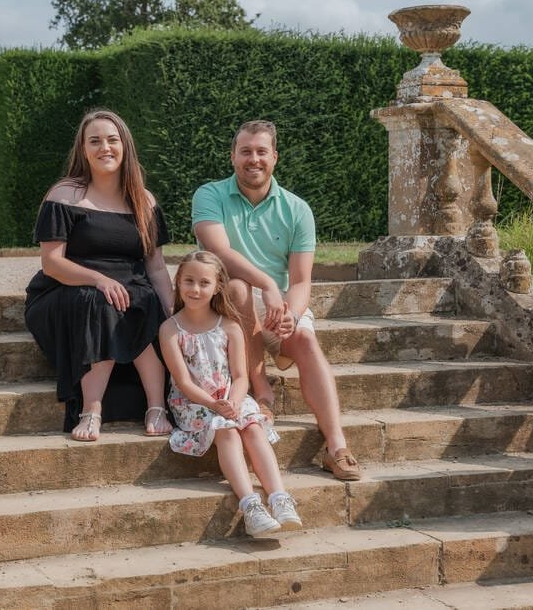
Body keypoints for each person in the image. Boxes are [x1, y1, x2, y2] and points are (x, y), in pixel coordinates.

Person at [192, 119, 361, 481]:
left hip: (277, 304)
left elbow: (301, 280)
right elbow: (218, 251)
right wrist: (267, 283)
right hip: (223, 306)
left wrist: (292, 314)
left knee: (304, 338)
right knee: (237, 287)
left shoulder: (297, 209)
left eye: (261, 151)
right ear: (233, 156)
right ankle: (262, 392)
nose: (253, 159)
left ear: (275, 157)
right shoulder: (209, 194)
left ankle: (337, 445)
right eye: (245, 151)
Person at [24, 109, 174, 442]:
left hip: (129, 288)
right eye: (95, 141)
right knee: (104, 301)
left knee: (146, 301)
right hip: (68, 289)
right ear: (83, 149)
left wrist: (173, 316)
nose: (104, 147)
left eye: (111, 140)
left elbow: (156, 267)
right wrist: (98, 279)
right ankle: (91, 410)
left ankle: (156, 406)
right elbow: (52, 263)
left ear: (125, 146)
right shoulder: (64, 195)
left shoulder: (144, 202)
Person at [160, 250, 303, 537]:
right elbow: (184, 382)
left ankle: (279, 497)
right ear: (178, 283)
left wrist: (234, 402)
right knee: (225, 431)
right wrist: (214, 404)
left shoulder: (230, 327)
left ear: (217, 287)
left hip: (232, 395)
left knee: (251, 426)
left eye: (204, 283)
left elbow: (240, 376)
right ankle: (250, 505)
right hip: (193, 402)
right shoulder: (170, 329)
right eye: (188, 281)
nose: (195, 289)